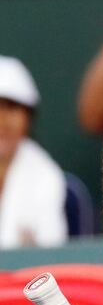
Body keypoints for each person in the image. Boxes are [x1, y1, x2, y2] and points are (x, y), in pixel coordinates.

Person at [0, 56, 67, 250]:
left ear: (28, 117)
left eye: (11, 108)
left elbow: (50, 256)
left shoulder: (46, 176)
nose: (2, 121)